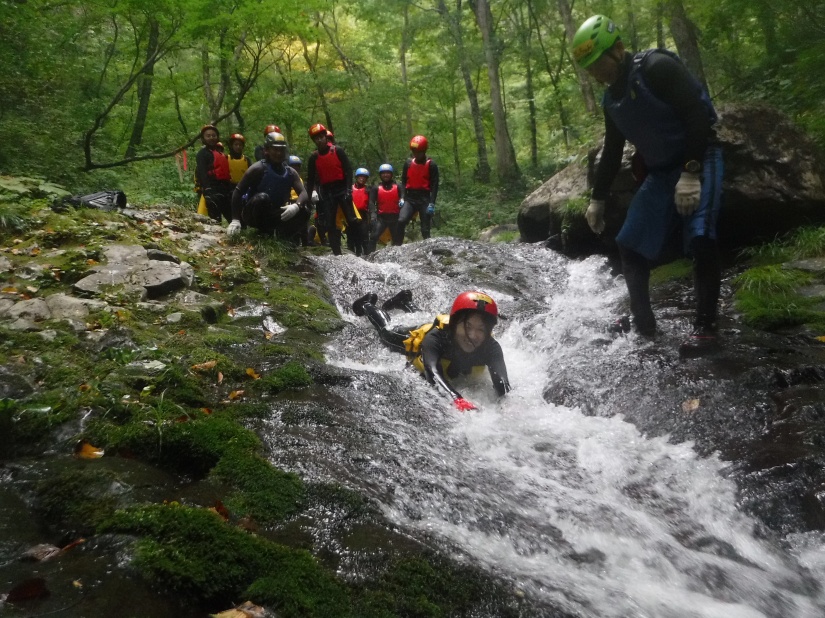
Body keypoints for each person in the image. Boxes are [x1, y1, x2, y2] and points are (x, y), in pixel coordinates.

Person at [572, 15, 724, 357]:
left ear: (619, 49)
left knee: (700, 236)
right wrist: (596, 198)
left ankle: (706, 329)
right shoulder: (612, 100)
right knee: (629, 243)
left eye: (599, 64)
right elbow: (612, 152)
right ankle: (643, 323)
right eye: (590, 69)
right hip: (659, 172)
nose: (597, 74)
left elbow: (696, 117)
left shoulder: (656, 68)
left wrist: (691, 172)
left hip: (699, 157)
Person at [352, 290, 510, 410]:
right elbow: (432, 372)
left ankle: (404, 302)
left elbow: (503, 386)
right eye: (467, 326)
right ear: (455, 324)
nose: (473, 335)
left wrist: (507, 407)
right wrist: (456, 399)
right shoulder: (436, 338)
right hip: (418, 335)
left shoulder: (491, 347)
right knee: (386, 331)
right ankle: (366, 304)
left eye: (481, 329)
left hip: (435, 330)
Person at [227, 132, 309, 244]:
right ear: (266, 150)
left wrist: (296, 206)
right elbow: (238, 191)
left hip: (275, 213)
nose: (278, 153)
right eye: (275, 149)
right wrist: (235, 220)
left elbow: (304, 193)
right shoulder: (257, 169)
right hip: (253, 213)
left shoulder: (290, 172)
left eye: (281, 150)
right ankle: (262, 234)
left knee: (304, 210)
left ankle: (284, 238)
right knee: (262, 198)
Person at [305, 123, 362, 256]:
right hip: (327, 192)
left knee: (352, 220)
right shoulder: (313, 158)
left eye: (321, 137)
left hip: (342, 189)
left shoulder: (338, 151)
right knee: (330, 223)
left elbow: (348, 170)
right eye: (316, 138)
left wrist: (349, 190)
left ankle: (360, 250)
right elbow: (311, 180)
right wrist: (308, 198)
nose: (319, 140)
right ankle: (337, 253)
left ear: (326, 137)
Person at [397, 135, 439, 244]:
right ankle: (397, 246)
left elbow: (435, 186)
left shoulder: (431, 165)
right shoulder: (408, 163)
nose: (416, 154)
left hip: (424, 198)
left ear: (424, 151)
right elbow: (403, 182)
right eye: (414, 151)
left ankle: (428, 246)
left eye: (418, 151)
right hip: (410, 197)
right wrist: (402, 197)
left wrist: (432, 203)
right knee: (401, 220)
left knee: (425, 227)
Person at [195, 124, 233, 224]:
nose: (211, 138)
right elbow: (202, 172)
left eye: (214, 135)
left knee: (232, 217)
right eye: (208, 136)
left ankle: (236, 237)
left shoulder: (221, 153)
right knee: (216, 219)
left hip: (225, 189)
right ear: (203, 138)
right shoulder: (202, 154)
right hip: (212, 189)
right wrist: (207, 189)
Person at [369, 163, 402, 252]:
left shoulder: (398, 186)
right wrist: (373, 214)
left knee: (397, 241)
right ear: (380, 175)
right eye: (383, 173)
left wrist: (402, 200)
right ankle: (369, 257)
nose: (385, 175)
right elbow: (371, 202)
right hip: (382, 218)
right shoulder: (376, 188)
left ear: (391, 174)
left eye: (388, 173)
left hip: (395, 218)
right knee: (373, 237)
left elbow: (403, 197)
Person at [348, 167, 371, 256]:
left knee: (364, 237)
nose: (362, 178)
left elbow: (371, 203)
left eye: (364, 177)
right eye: (360, 176)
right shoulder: (350, 189)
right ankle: (351, 256)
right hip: (351, 215)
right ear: (356, 177)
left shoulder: (368, 190)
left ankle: (367, 255)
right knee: (351, 238)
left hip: (363, 215)